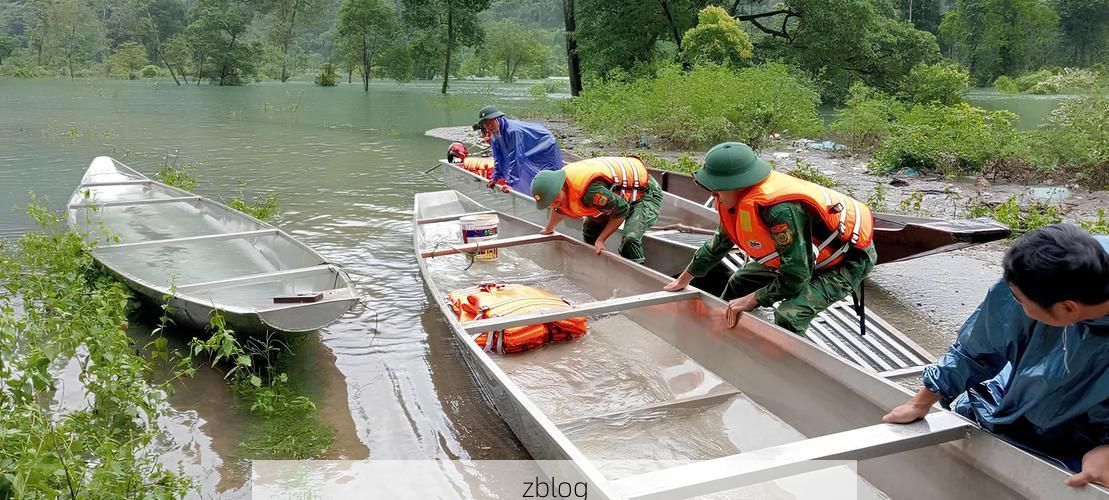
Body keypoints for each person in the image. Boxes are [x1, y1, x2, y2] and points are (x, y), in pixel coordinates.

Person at [883, 224, 1109, 488]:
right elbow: (980, 343)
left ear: (1068, 309)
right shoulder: (1048, 271)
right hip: (1031, 388)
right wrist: (920, 403)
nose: (1016, 305)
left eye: (1021, 302)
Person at [663, 142, 877, 334]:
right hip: (806, 255)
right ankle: (724, 332)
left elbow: (796, 277)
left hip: (846, 259)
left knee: (789, 315)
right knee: (739, 281)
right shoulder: (734, 202)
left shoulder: (779, 212)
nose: (712, 197)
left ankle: (786, 369)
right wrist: (683, 280)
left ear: (738, 185)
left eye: (716, 191)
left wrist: (752, 299)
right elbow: (717, 245)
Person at [530, 157, 662, 264]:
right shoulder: (561, 191)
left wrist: (601, 240)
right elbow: (559, 209)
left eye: (555, 198)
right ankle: (596, 266)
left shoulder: (590, 192)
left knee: (630, 238)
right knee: (589, 230)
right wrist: (549, 228)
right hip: (613, 195)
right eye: (550, 203)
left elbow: (622, 209)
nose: (554, 203)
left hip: (645, 193)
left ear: (560, 186)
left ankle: (635, 274)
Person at [472, 105, 562, 196]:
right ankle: (529, 194)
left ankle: (544, 196)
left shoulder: (513, 131)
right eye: (486, 124)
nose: (489, 126)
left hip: (544, 144)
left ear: (498, 119)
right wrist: (495, 177)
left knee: (539, 174)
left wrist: (510, 183)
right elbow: (498, 157)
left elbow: (516, 157)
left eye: (491, 122)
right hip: (529, 147)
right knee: (519, 169)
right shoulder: (495, 133)